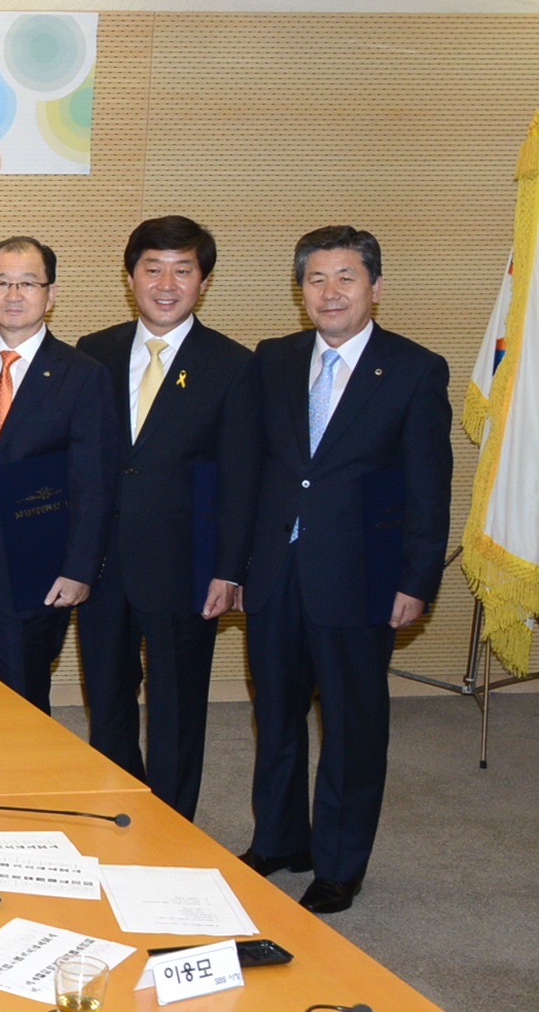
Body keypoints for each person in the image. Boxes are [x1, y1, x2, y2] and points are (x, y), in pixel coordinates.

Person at [236, 225, 451, 914]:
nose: (330, 292)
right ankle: (279, 840)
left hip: (362, 580)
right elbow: (253, 470)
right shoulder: (273, 359)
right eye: (316, 279)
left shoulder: (415, 369)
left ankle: (337, 865)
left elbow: (428, 486)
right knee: (276, 716)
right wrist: (236, 566)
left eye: (346, 278)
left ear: (375, 288)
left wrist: (417, 580)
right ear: (300, 290)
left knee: (352, 730)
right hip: (276, 570)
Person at [74, 217, 254, 820]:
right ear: (131, 277)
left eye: (183, 270)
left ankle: (173, 824)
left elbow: (240, 478)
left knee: (177, 706)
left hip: (185, 565)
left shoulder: (232, 364)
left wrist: (230, 568)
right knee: (107, 697)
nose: (166, 284)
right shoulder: (94, 351)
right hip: (101, 562)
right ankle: (117, 811)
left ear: (204, 281)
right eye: (153, 269)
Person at [0, 237, 119, 711]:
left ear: (51, 294)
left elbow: (94, 483)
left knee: (24, 706)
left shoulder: (83, 374)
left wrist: (79, 570)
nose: (13, 294)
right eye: (1, 283)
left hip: (34, 572)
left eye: (27, 283)